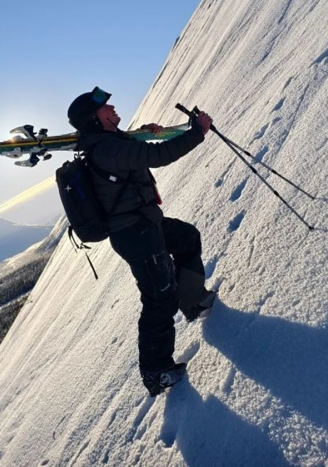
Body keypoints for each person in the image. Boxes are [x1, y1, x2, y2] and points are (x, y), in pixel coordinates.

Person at [67, 86, 217, 396]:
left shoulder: (109, 142)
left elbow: (133, 145)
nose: (113, 108)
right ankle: (156, 372)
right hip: (135, 234)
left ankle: (192, 302)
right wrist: (197, 133)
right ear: (94, 119)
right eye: (106, 108)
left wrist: (145, 132)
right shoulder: (108, 149)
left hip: (147, 223)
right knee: (159, 298)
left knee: (187, 238)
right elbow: (157, 156)